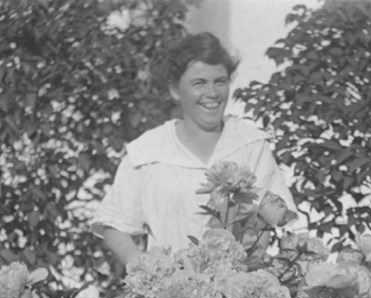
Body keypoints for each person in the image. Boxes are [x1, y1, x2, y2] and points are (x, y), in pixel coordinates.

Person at [91, 32, 297, 266]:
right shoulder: (147, 151)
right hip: (167, 292)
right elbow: (113, 222)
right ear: (175, 90)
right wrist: (135, 260)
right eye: (199, 83)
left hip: (237, 288)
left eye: (220, 81)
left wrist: (249, 264)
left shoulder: (250, 144)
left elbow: (269, 217)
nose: (212, 93)